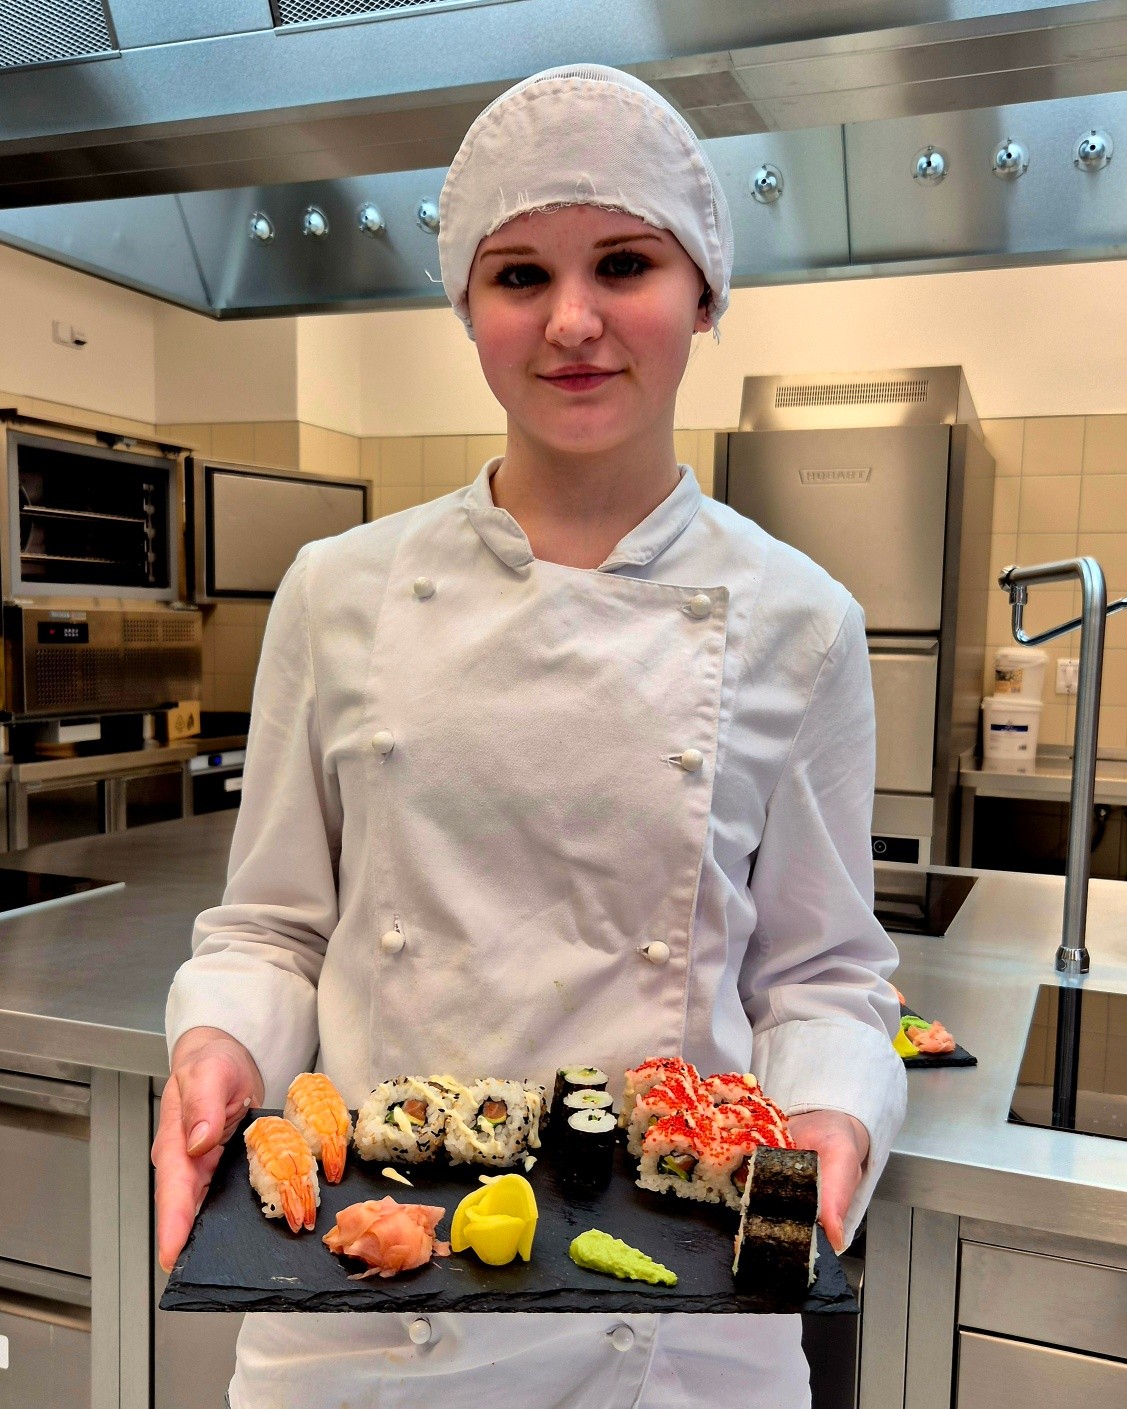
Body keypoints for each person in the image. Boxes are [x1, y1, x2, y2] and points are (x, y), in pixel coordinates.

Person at [153, 64, 906, 1409]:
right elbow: (271, 930)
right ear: (468, 307)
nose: (572, 322)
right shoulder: (337, 592)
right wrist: (221, 1046)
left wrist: (831, 1112)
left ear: (704, 294)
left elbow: (825, 978)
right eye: (518, 276)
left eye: (624, 263)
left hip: (678, 1328)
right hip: (363, 1322)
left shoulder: (802, 621)